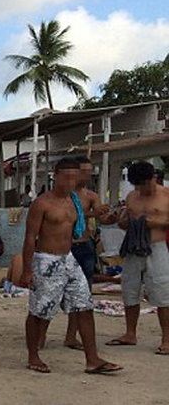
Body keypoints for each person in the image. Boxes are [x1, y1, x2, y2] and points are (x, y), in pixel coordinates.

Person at [18, 157, 121, 374]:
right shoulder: (42, 203)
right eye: (66, 177)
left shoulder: (74, 201)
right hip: (46, 260)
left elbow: (83, 221)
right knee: (40, 310)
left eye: (75, 178)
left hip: (69, 259)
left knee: (84, 306)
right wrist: (27, 270)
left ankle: (92, 359)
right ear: (55, 176)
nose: (70, 182)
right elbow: (30, 237)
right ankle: (33, 355)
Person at [105, 161, 169, 354]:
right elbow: (124, 223)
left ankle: (167, 338)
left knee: (162, 292)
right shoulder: (132, 196)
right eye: (137, 185)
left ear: (153, 178)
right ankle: (130, 333)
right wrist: (123, 221)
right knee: (130, 289)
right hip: (133, 248)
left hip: (156, 247)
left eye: (144, 184)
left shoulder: (166, 196)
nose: (140, 189)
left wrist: (154, 221)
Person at [62, 156, 109, 350]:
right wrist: (92, 214)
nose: (88, 175)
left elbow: (102, 218)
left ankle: (71, 336)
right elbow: (70, 215)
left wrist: (108, 215)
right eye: (85, 171)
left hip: (85, 245)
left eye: (90, 171)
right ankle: (40, 335)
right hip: (66, 246)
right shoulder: (64, 195)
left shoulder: (91, 196)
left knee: (82, 293)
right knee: (55, 291)